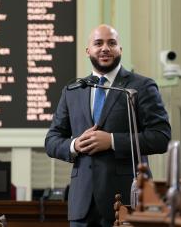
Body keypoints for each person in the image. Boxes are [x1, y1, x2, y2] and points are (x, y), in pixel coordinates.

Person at [45, 24, 171, 227]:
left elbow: (161, 137)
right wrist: (75, 145)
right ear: (88, 51)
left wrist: (111, 141)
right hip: (82, 206)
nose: (105, 48)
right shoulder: (73, 90)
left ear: (120, 49)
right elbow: (51, 141)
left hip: (126, 202)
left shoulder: (141, 87)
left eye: (112, 43)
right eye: (98, 43)